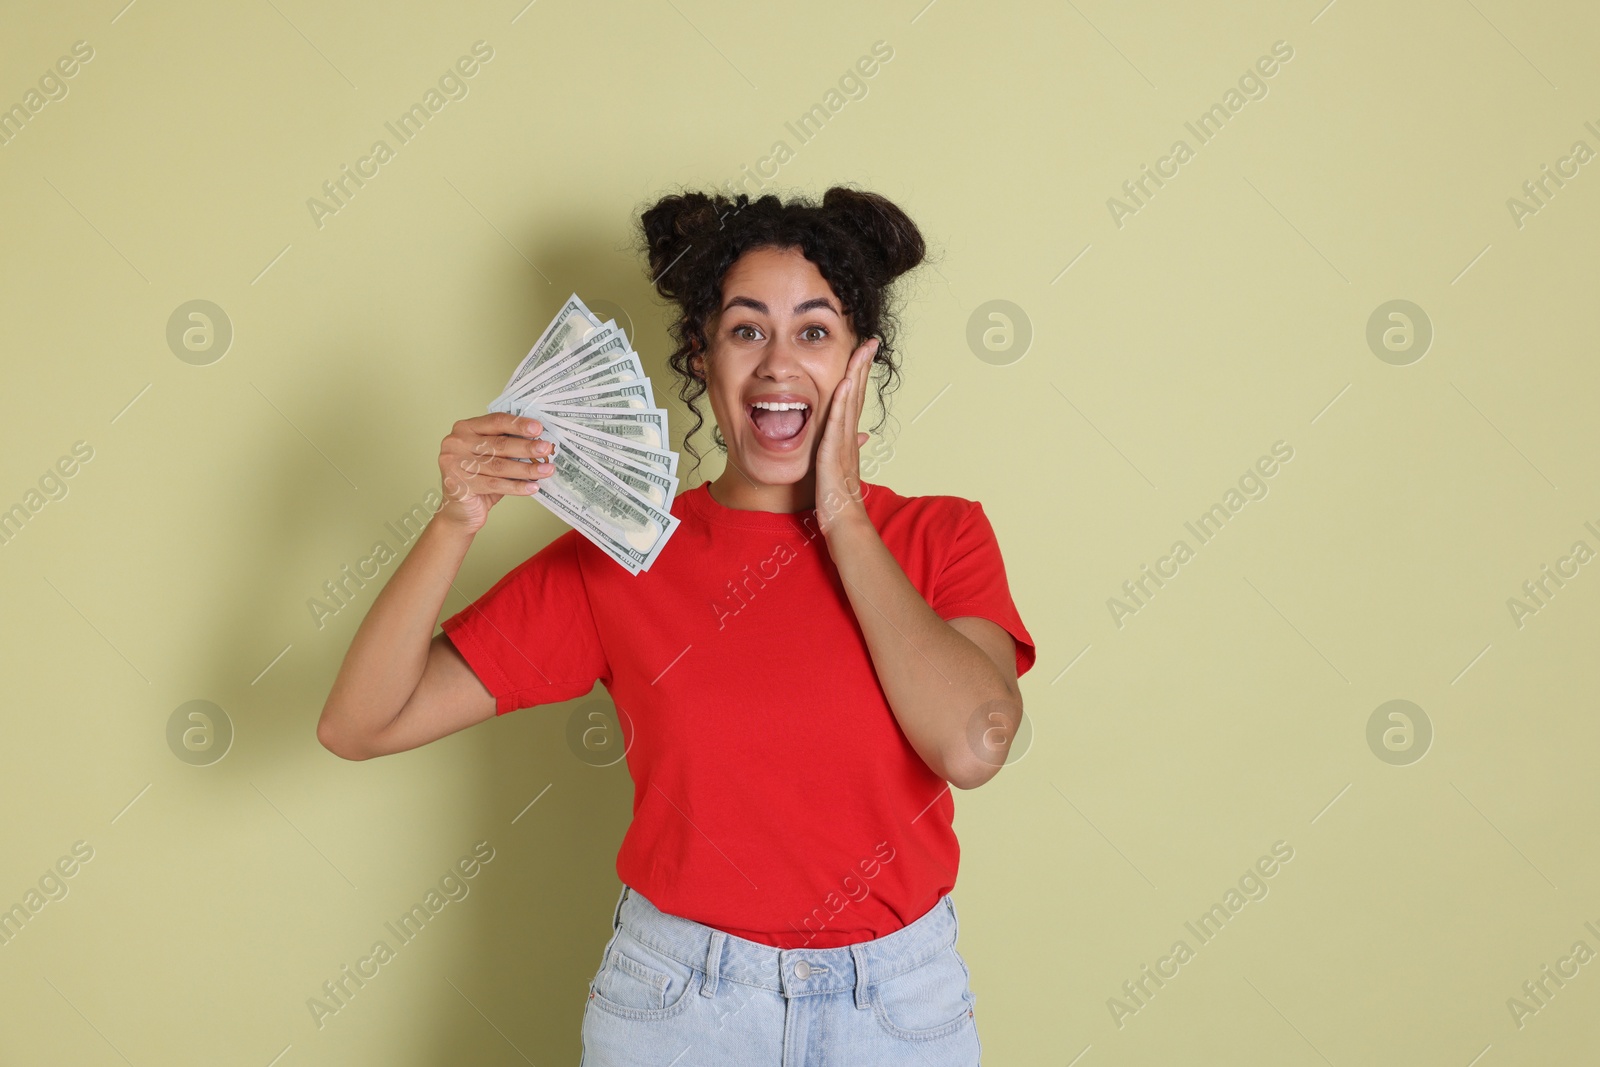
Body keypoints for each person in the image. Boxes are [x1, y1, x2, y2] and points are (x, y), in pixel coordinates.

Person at [316, 185, 1036, 1065]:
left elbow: (973, 747)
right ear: (701, 354)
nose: (777, 364)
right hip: (681, 1007)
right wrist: (454, 522)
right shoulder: (625, 552)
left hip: (897, 1008)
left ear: (859, 359)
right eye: (745, 330)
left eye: (814, 330)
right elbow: (360, 721)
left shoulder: (941, 536)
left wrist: (842, 512)